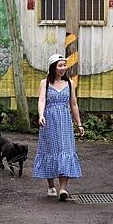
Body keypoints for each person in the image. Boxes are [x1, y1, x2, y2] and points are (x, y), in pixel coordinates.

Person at [33, 53, 85, 201]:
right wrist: (41, 115)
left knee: (66, 150)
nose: (63, 68)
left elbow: (73, 104)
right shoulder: (45, 83)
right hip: (49, 121)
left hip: (65, 122)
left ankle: (63, 188)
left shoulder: (69, 83)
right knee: (49, 150)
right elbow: (42, 100)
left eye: (64, 65)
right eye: (60, 65)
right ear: (53, 67)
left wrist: (79, 124)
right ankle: (51, 186)